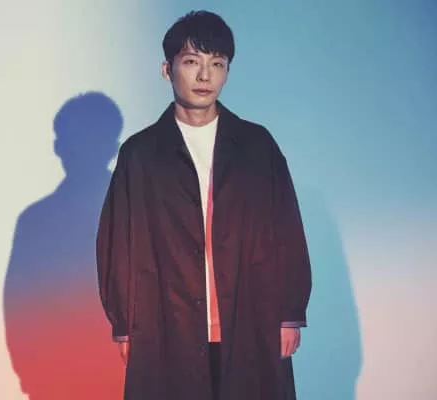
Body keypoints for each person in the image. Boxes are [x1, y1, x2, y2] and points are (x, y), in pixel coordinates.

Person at [96, 10, 312, 400]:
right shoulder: (140, 155)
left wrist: (290, 313)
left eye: (217, 64)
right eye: (192, 62)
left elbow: (287, 229)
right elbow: (118, 244)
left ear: (227, 72)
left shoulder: (256, 146)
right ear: (167, 69)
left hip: (250, 319)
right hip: (167, 324)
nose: (204, 76)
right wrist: (124, 325)